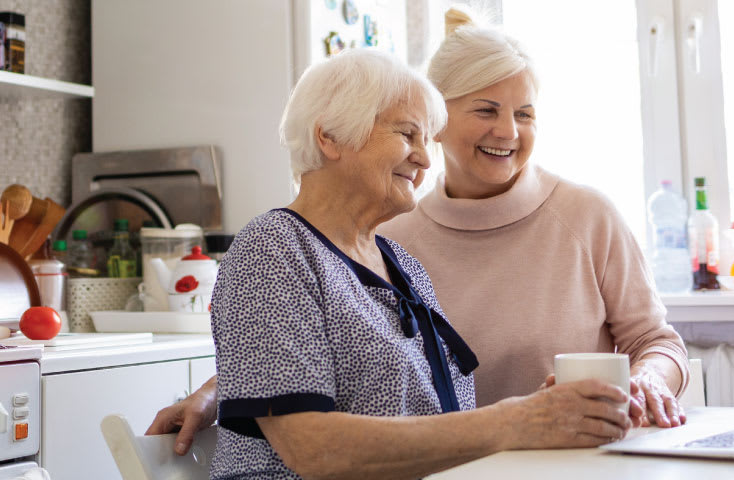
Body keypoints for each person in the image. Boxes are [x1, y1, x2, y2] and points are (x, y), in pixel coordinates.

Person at [149, 8, 690, 458]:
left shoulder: (394, 260)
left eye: (525, 113)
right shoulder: (344, 241)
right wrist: (227, 390)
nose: (508, 131)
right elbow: (303, 400)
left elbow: (346, 363)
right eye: (409, 132)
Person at [204, 49, 630, 480]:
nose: (425, 159)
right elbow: (313, 448)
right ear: (329, 136)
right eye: (408, 135)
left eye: (427, 140)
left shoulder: (401, 265)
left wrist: (546, 413)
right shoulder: (273, 248)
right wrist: (516, 421)